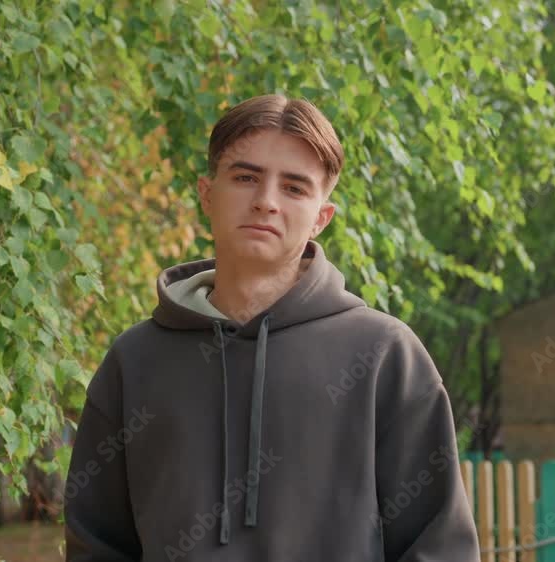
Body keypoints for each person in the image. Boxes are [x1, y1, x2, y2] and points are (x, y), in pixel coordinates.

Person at [62, 94, 480, 561]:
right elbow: (95, 544)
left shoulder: (384, 355)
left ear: (322, 217)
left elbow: (439, 546)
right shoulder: (136, 361)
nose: (266, 202)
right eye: (246, 178)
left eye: (294, 188)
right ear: (207, 194)